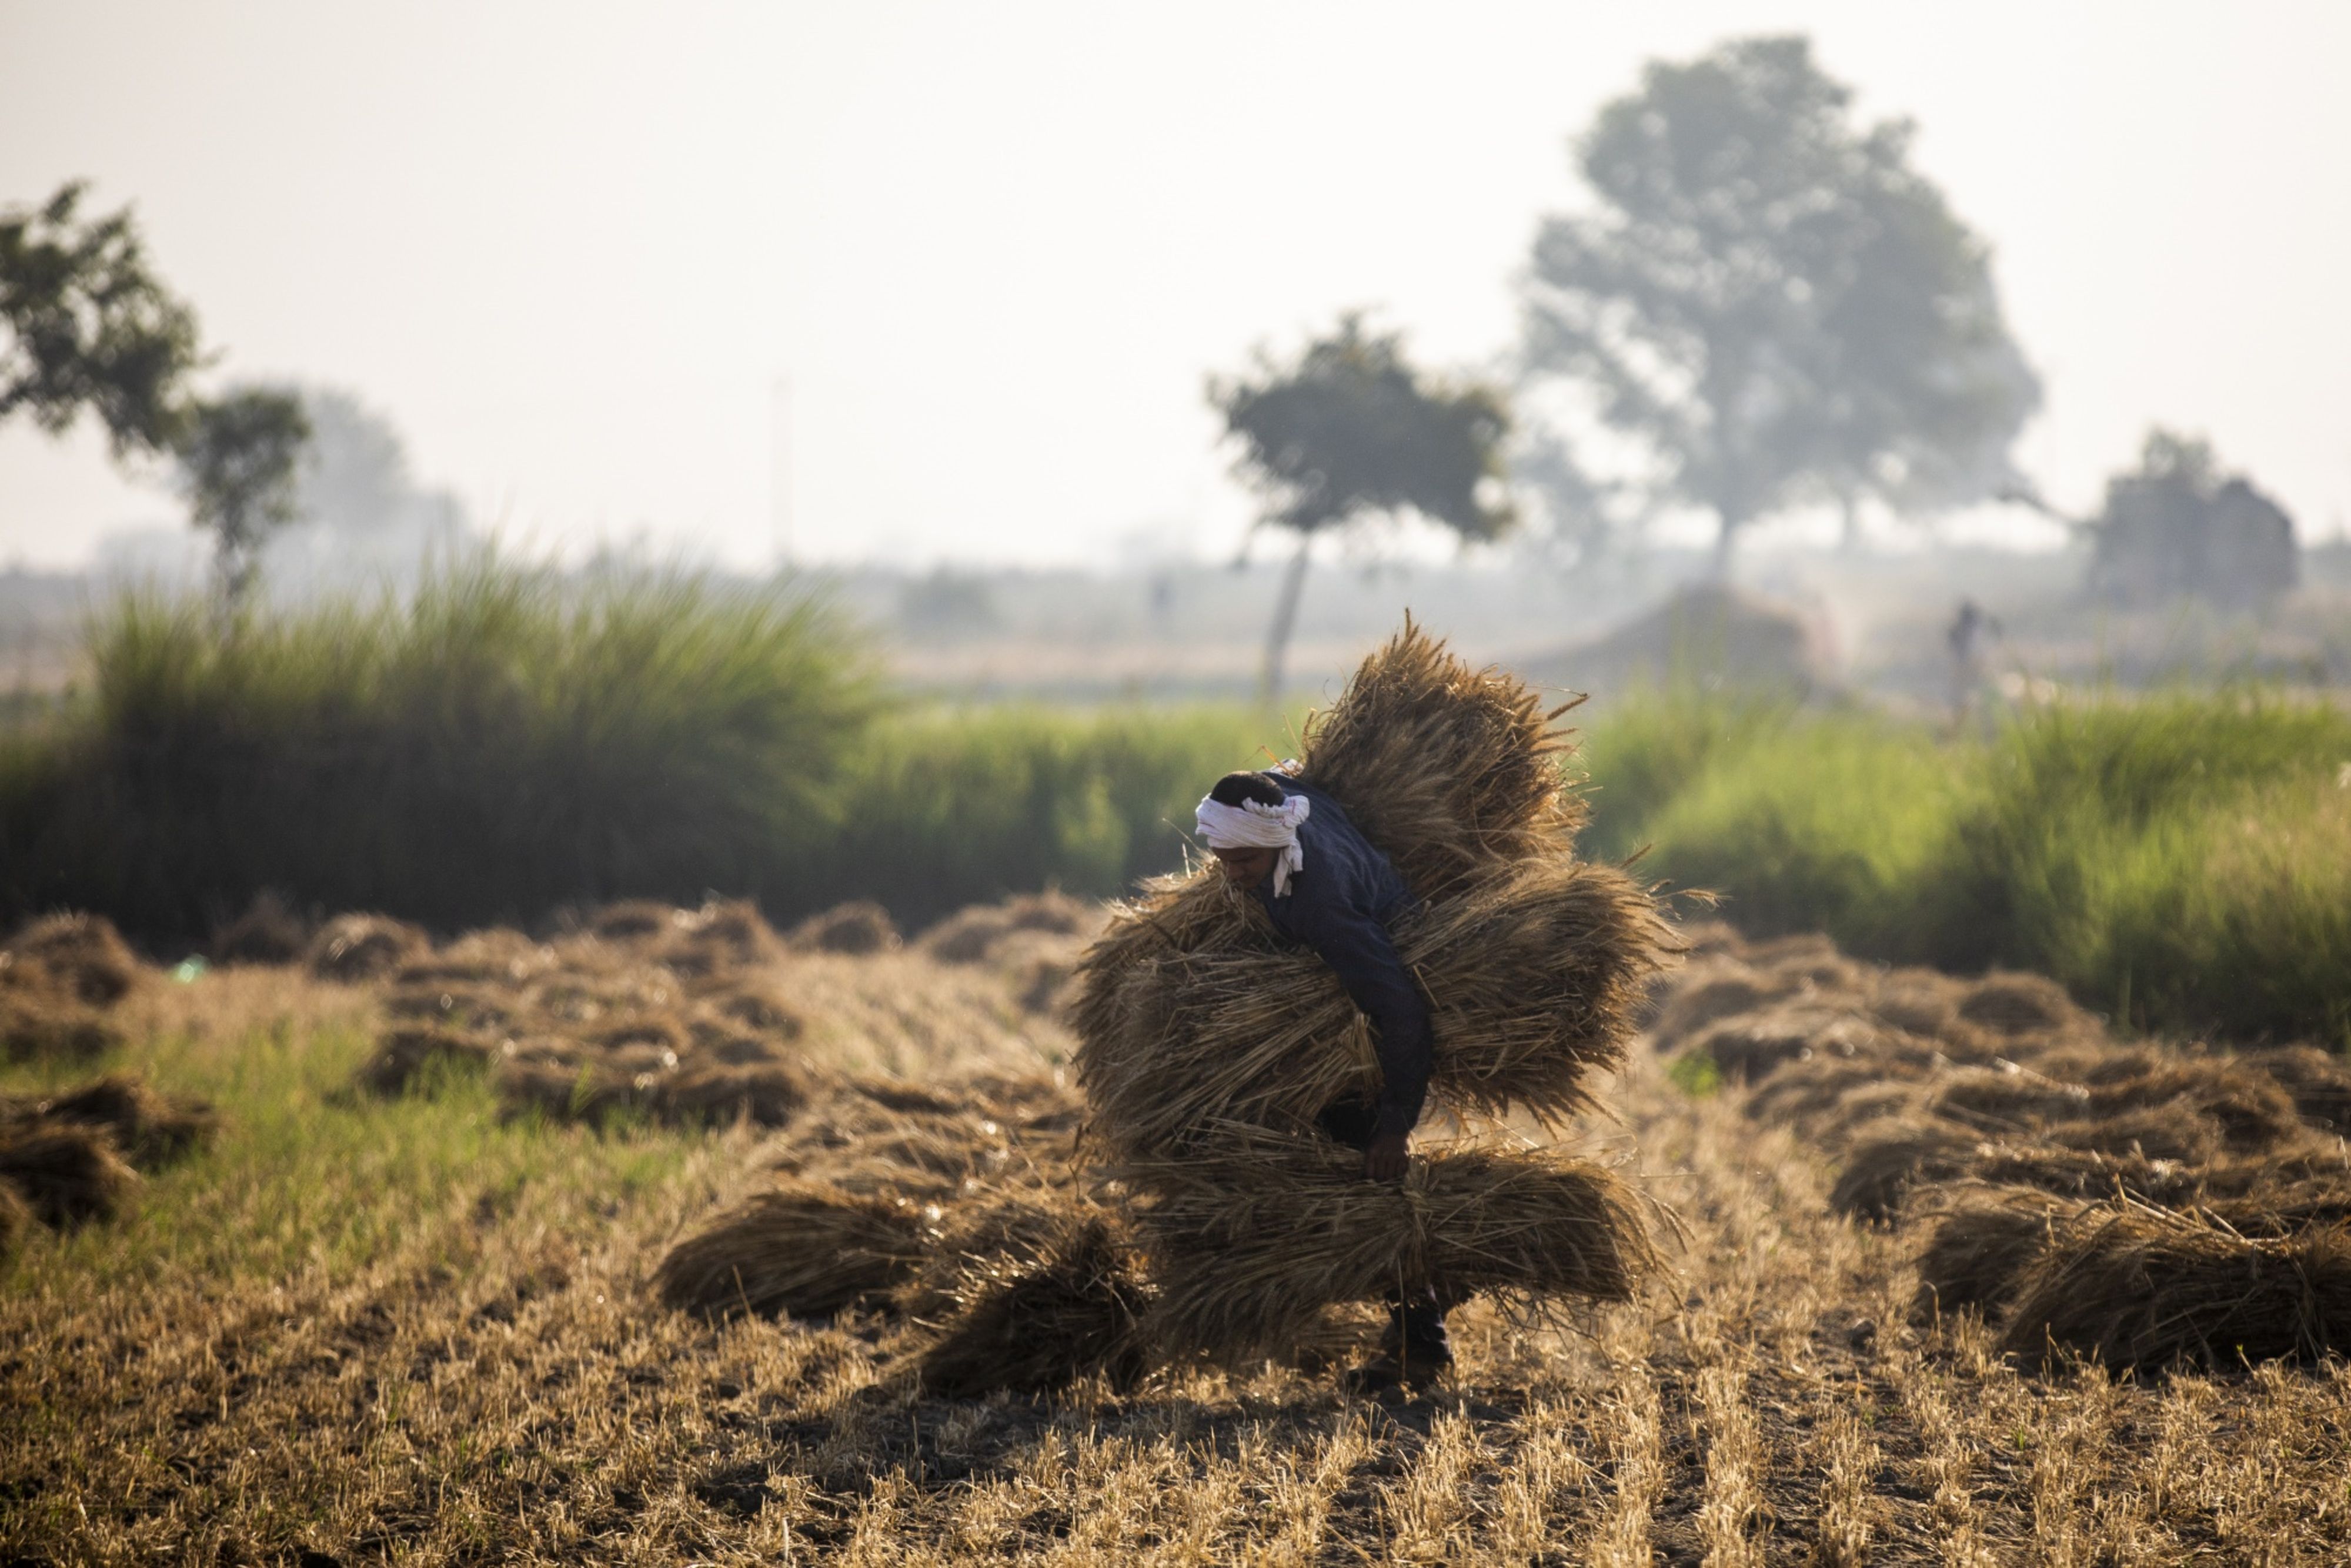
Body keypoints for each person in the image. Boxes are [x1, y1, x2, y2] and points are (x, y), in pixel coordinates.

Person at [1193, 767, 1452, 1390]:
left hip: (1376, 1002)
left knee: (1360, 1163)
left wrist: (1393, 1126)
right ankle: (1414, 1326)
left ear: (1277, 839)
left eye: (1245, 861)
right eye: (1222, 858)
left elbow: (1400, 1012)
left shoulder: (1321, 904)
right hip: (1335, 989)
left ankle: (1421, 1338)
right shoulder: (1282, 803)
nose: (1231, 873)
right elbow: (1283, 775)